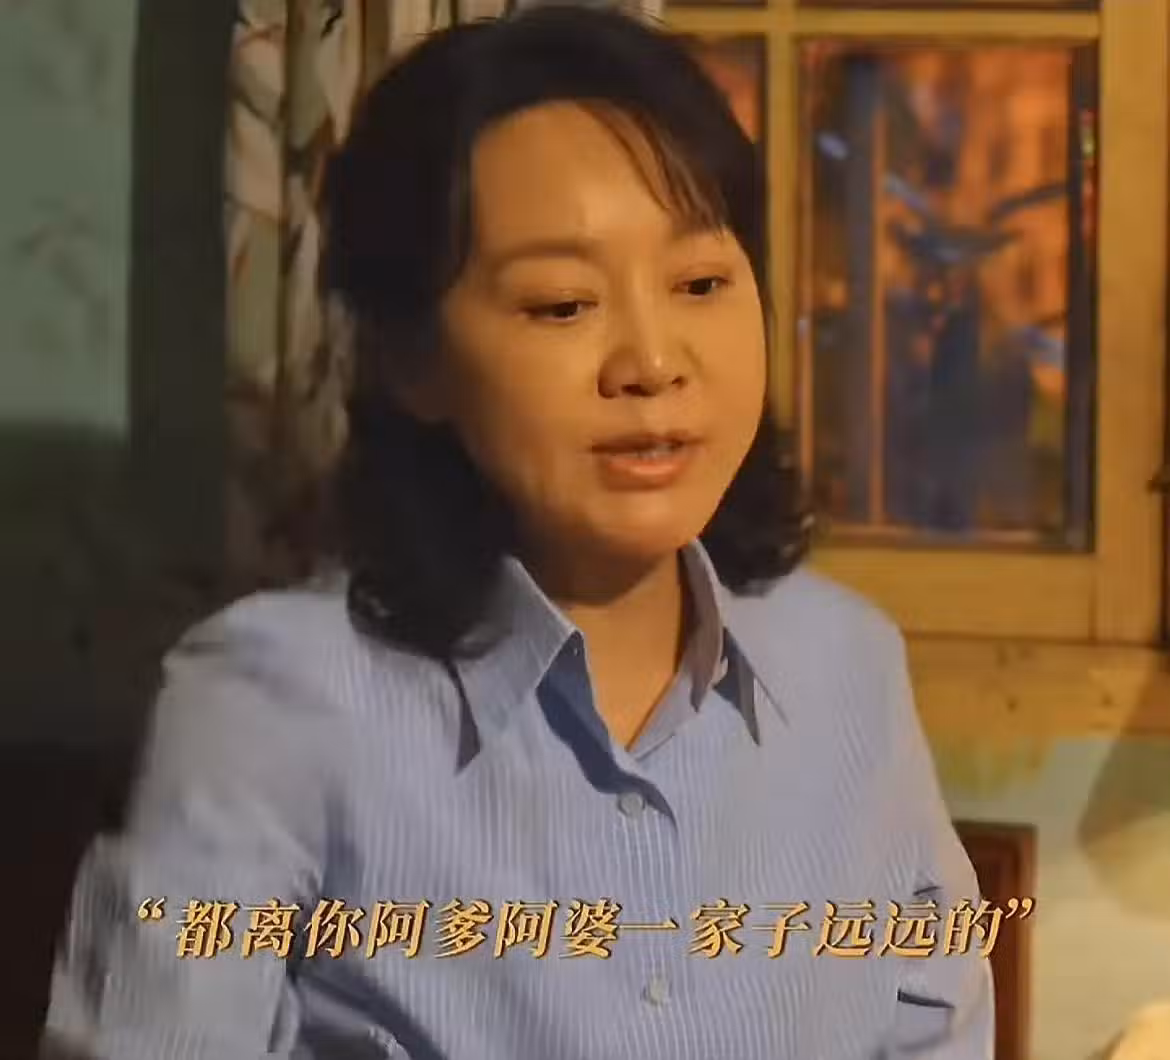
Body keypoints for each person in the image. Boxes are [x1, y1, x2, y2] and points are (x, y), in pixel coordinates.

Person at [41, 5, 993, 1058]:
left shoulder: (848, 666)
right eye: (562, 304)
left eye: (700, 284)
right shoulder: (272, 704)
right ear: (411, 359)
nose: (652, 362)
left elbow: (938, 1024)